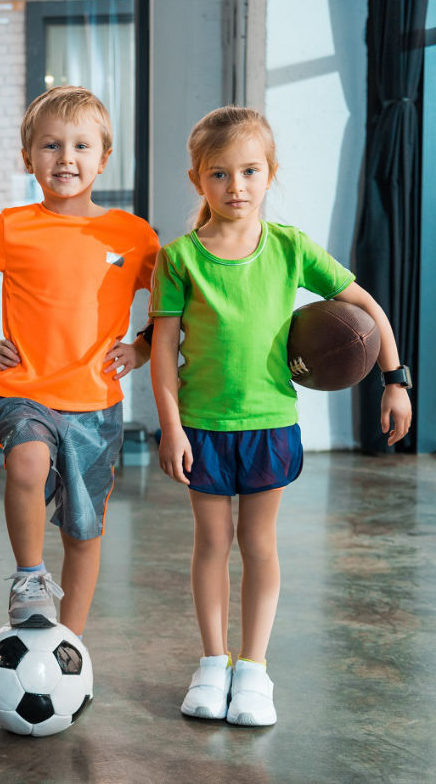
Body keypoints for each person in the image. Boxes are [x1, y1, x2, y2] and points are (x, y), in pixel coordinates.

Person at [149, 106, 413, 726]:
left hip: (270, 425)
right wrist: (171, 425)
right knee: (211, 543)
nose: (235, 187)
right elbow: (162, 353)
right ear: (197, 180)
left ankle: (255, 670)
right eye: (219, 174)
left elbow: (366, 306)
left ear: (270, 174)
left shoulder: (291, 248)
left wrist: (394, 380)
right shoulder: (179, 258)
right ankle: (213, 664)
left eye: (248, 171)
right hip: (203, 428)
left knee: (258, 545)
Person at [0, 86, 159, 636]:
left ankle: (71, 643)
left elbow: (174, 305)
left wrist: (141, 347)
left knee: (84, 534)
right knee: (28, 462)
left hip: (95, 402)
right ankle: (31, 576)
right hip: (26, 390)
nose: (66, 158)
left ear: (104, 158)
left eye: (82, 146)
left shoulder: (133, 236)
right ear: (28, 156)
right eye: (51, 145)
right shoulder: (13, 227)